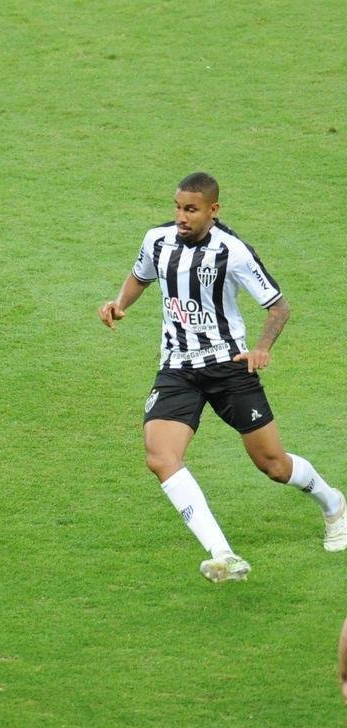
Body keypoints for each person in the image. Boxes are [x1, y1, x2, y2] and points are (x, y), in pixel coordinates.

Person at [98, 172, 346, 581]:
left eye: (191, 209)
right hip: (177, 368)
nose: (181, 216)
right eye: (177, 207)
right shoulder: (156, 240)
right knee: (160, 457)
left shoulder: (233, 252)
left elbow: (278, 306)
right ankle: (224, 554)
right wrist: (120, 303)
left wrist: (262, 348)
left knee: (273, 465)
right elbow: (141, 275)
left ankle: (334, 504)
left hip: (229, 367)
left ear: (213, 210)